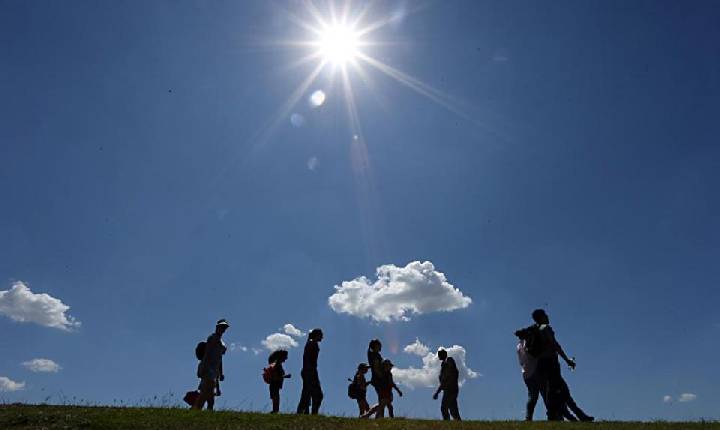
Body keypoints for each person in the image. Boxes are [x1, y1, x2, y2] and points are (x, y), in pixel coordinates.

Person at [525, 309, 593, 421]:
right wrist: (567, 360)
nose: (548, 316)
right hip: (551, 363)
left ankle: (573, 416)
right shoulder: (545, 329)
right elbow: (556, 346)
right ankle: (577, 416)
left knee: (552, 392)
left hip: (541, 365)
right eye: (545, 315)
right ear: (541, 317)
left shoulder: (533, 331)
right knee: (563, 391)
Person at [192, 319, 229, 411]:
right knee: (205, 393)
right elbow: (207, 354)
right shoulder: (212, 338)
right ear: (217, 327)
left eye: (224, 327)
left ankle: (206, 411)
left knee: (210, 395)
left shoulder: (222, 344)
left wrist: (220, 373)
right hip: (208, 369)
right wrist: (203, 368)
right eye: (221, 327)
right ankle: (195, 409)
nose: (223, 329)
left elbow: (219, 359)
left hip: (214, 371)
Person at [296, 328, 324, 414]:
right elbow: (308, 359)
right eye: (321, 335)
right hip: (309, 371)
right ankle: (311, 413)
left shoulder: (311, 343)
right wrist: (310, 371)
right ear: (317, 335)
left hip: (308, 371)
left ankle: (304, 412)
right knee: (316, 394)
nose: (322, 337)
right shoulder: (312, 344)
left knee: (307, 393)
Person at [433, 349, 461, 421]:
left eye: (439, 355)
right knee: (453, 409)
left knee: (444, 407)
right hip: (447, 389)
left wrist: (437, 392)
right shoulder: (443, 365)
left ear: (443, 354)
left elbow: (452, 369)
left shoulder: (449, 360)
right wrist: (437, 392)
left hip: (451, 389)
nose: (439, 356)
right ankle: (458, 423)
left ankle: (447, 422)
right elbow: (443, 382)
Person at [366, 339, 386, 417]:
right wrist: (382, 377)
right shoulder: (375, 355)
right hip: (378, 378)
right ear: (375, 346)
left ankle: (379, 416)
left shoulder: (373, 354)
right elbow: (376, 367)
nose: (381, 346)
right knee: (383, 399)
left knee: (382, 398)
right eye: (379, 344)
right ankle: (373, 415)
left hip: (376, 378)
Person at [268, 350, 292, 414]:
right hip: (274, 384)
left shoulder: (276, 364)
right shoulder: (276, 365)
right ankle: (275, 411)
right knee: (276, 398)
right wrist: (285, 376)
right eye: (285, 357)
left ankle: (275, 411)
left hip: (274, 384)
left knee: (275, 398)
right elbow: (275, 377)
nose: (286, 359)